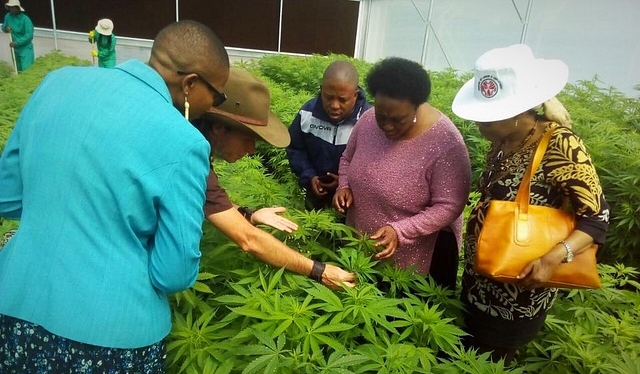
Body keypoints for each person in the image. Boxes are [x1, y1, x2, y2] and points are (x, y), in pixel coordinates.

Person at [0, 20, 230, 372]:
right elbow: (173, 273)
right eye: (217, 95)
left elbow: (8, 197)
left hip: (14, 304)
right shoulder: (185, 142)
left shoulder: (56, 82)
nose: (214, 105)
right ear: (191, 84)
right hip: (111, 340)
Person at [451, 44, 610, 365]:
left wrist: (553, 259)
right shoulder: (501, 141)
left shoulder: (560, 144)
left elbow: (596, 217)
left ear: (519, 112)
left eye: (488, 120)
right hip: (481, 277)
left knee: (493, 360)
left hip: (521, 285)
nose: (479, 127)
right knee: (469, 353)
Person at [192, 67, 357, 290]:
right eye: (249, 138)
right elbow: (249, 240)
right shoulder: (187, 156)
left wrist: (248, 214)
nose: (251, 150)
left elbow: (207, 198)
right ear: (220, 127)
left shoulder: (194, 146)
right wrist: (319, 271)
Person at [333, 57, 471, 291]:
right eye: (381, 116)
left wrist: (401, 231)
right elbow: (347, 158)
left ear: (417, 106)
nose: (386, 125)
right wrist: (344, 184)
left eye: (397, 119)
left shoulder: (446, 143)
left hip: (413, 269)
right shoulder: (367, 121)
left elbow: (449, 206)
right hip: (363, 252)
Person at [286, 60, 372, 210]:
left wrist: (345, 182)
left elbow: (376, 162)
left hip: (353, 202)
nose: (334, 105)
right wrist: (309, 176)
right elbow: (295, 148)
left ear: (355, 95)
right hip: (315, 194)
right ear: (321, 90)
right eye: (329, 97)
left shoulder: (370, 120)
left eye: (342, 99)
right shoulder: (307, 113)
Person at [1, 0, 34, 72]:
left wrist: (17, 43)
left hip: (25, 48)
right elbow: (3, 27)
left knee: (27, 70)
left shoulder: (25, 19)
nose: (12, 9)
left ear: (18, 8)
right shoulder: (8, 16)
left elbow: (29, 36)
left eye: (13, 7)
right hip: (14, 48)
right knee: (18, 70)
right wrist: (6, 29)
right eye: (10, 7)